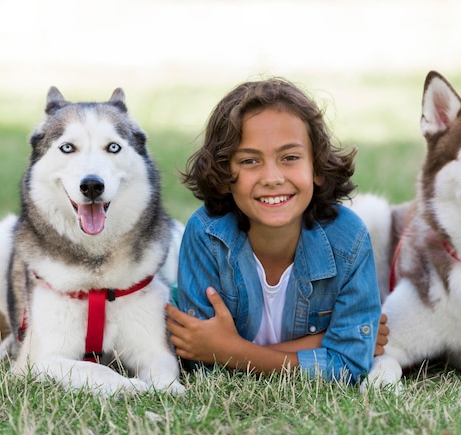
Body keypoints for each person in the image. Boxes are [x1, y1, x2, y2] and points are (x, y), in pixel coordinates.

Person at [166, 78, 388, 385]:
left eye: (290, 158)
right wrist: (323, 342)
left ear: (318, 168)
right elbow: (200, 362)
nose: (272, 177)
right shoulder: (207, 234)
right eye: (250, 160)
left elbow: (350, 366)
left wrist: (230, 350)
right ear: (223, 174)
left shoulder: (348, 239)